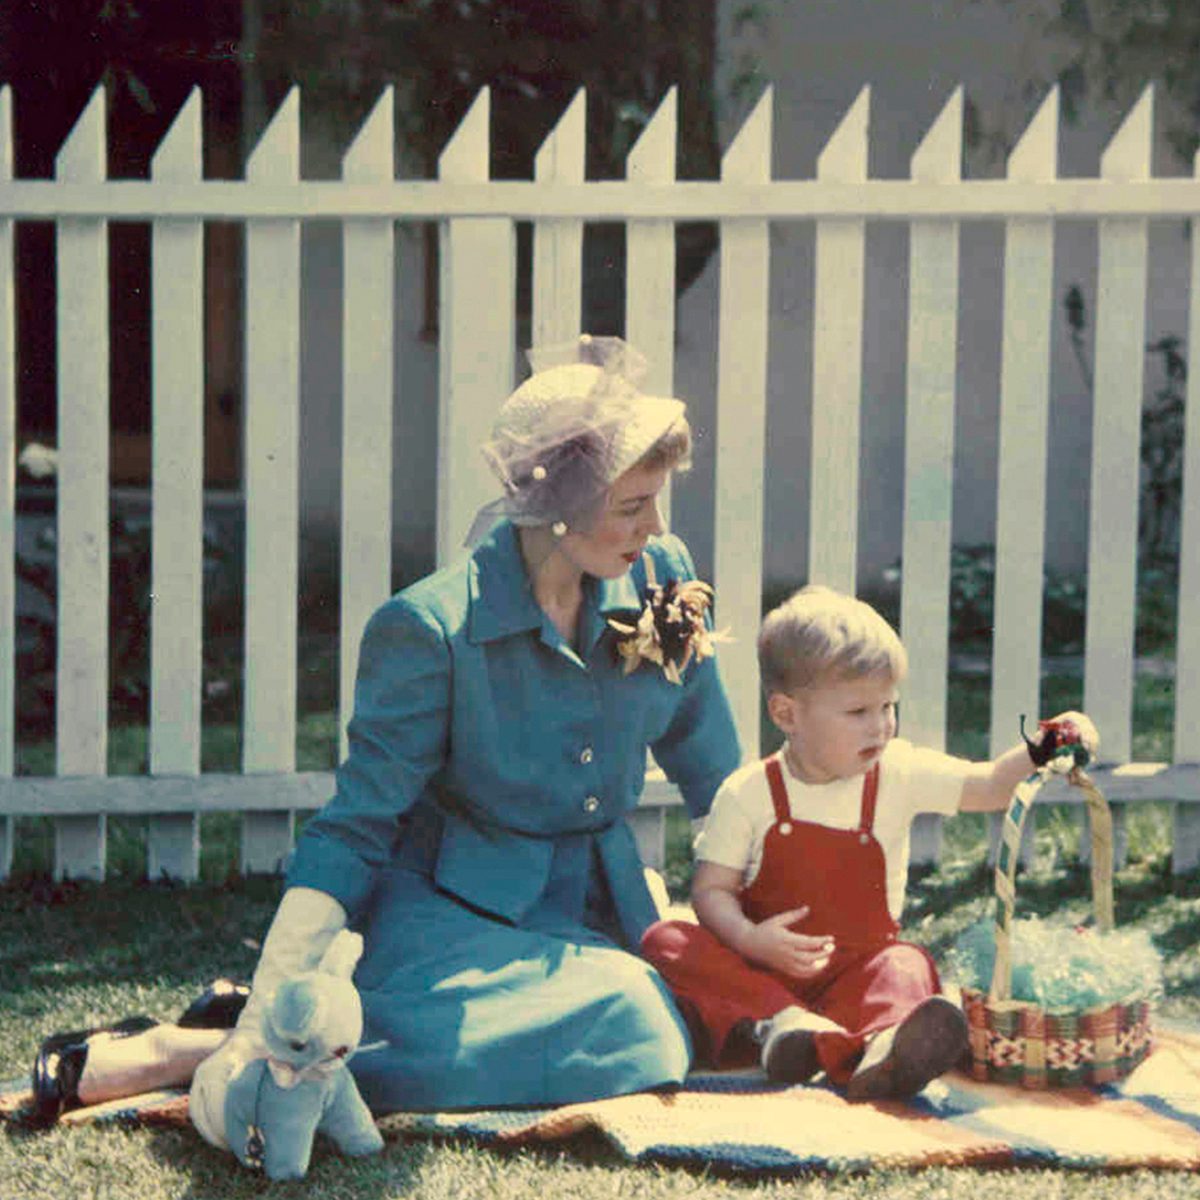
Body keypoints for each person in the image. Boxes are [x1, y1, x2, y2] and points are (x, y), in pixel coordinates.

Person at [30, 336, 741, 1138]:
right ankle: (228, 1040)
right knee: (632, 1018)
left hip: (599, 904)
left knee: (668, 1015)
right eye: (632, 504)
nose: (656, 526)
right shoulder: (430, 627)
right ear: (556, 503)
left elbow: (707, 750)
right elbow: (357, 824)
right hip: (447, 911)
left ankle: (273, 1035)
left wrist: (763, 889)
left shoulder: (661, 575)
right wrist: (278, 978)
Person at [641, 584, 1098, 1101]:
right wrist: (750, 940)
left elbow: (990, 786)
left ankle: (884, 1048)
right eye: (859, 712)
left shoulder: (898, 771)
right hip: (763, 974)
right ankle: (782, 1028)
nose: (880, 726)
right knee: (668, 940)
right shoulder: (748, 793)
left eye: (888, 706)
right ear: (786, 714)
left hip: (857, 975)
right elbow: (710, 891)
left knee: (907, 964)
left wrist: (1051, 741)